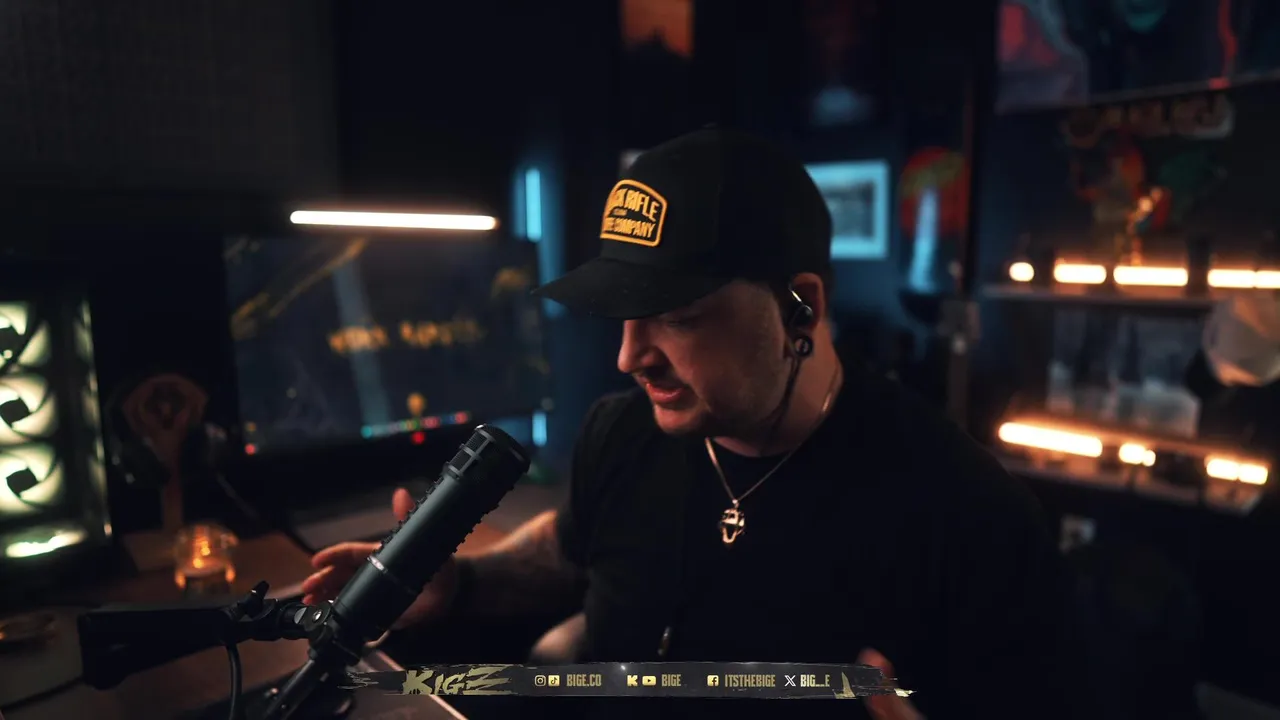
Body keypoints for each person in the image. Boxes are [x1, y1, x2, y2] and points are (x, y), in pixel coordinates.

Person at [303, 127, 1076, 719]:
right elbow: (570, 554)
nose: (629, 357)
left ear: (800, 306)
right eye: (625, 314)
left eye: (675, 316)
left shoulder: (969, 518)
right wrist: (456, 585)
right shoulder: (621, 433)